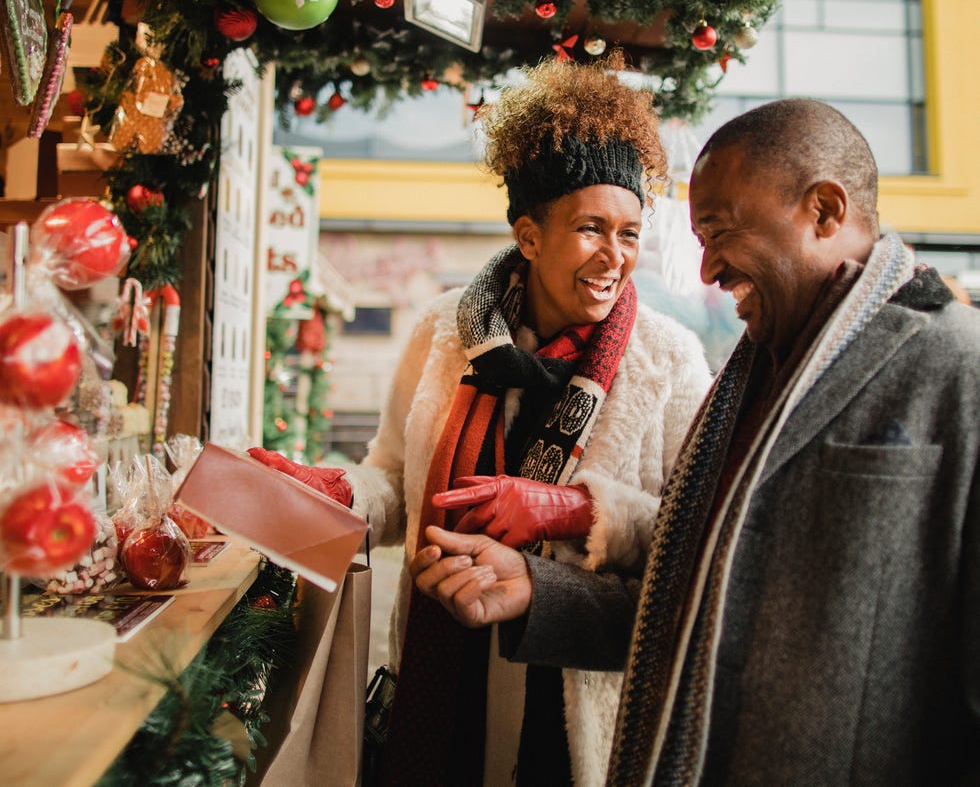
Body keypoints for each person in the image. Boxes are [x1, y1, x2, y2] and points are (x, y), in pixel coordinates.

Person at [410, 97, 980, 787]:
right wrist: (538, 588)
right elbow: (688, 598)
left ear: (825, 211)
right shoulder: (751, 375)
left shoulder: (958, 367)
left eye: (718, 232)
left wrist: (570, 512)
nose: (706, 272)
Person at [250, 55, 711, 787]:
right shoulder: (444, 331)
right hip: (443, 677)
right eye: (591, 228)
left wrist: (573, 511)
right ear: (529, 236)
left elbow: (699, 533)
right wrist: (336, 491)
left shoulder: (670, 360)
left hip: (570, 719)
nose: (615, 257)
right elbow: (399, 483)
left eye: (629, 233)